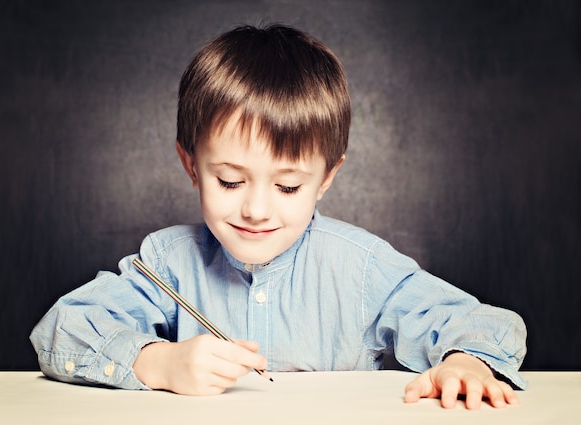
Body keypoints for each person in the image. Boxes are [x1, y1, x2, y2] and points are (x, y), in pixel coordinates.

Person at [30, 24, 527, 409]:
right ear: (190, 165)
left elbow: (475, 321)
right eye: (229, 180)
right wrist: (157, 362)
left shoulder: (361, 268)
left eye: (288, 186)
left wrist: (466, 361)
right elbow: (64, 327)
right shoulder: (166, 263)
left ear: (327, 177)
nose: (257, 209)